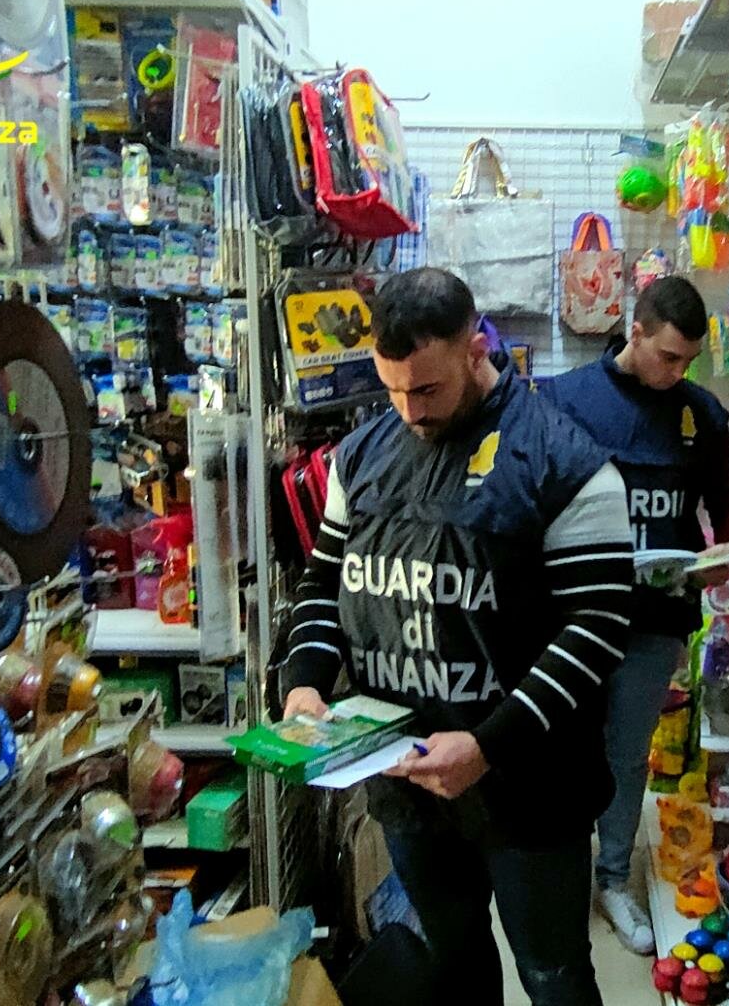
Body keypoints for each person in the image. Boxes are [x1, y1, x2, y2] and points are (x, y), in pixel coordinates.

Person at [278, 268, 634, 1006]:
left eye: (428, 389)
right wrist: (305, 681)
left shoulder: (565, 463)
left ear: (478, 349)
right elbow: (324, 586)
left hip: (528, 788)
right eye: (393, 390)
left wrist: (489, 745)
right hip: (408, 784)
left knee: (554, 973)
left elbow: (596, 630)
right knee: (459, 963)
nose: (410, 410)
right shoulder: (361, 457)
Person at [548, 275, 729, 954]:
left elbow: (726, 501)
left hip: (659, 615)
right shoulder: (566, 400)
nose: (676, 372)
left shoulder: (698, 414)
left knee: (627, 754)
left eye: (688, 361)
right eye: (667, 356)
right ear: (634, 331)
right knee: (563, 748)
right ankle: (558, 877)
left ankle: (614, 879)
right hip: (572, 617)